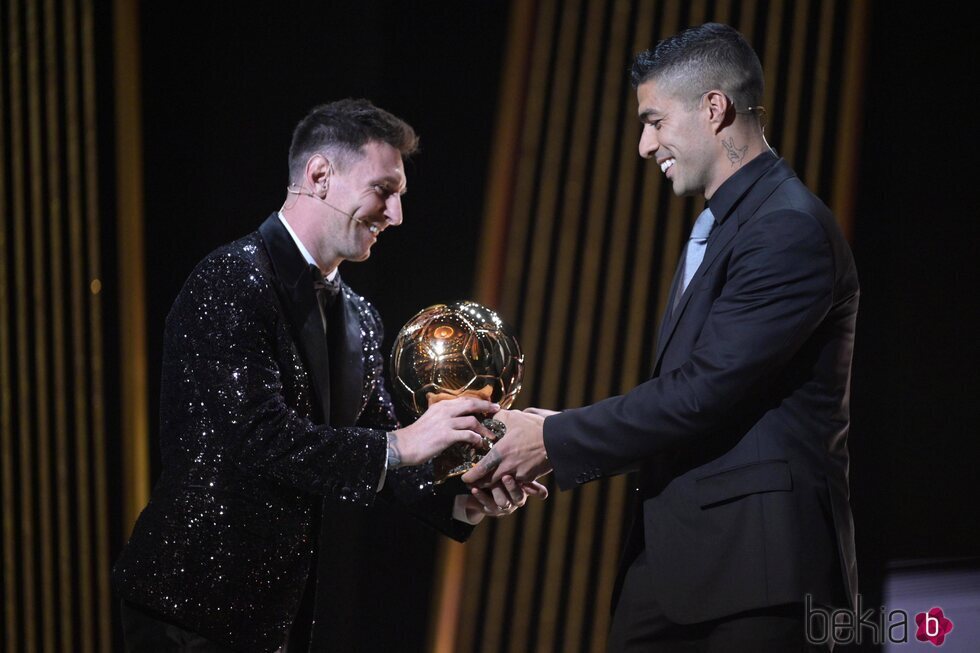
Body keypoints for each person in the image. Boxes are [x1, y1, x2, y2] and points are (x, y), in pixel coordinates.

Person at [463, 23, 858, 652]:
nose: (645, 145)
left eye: (654, 120)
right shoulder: (722, 225)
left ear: (714, 107)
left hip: (757, 581)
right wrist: (553, 426)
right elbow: (689, 391)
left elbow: (702, 391)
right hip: (677, 572)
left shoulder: (788, 229)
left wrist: (554, 438)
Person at [113, 99, 546, 652]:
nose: (396, 215)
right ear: (320, 176)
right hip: (189, 612)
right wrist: (400, 445)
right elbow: (258, 438)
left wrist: (465, 494)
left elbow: (377, 442)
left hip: (282, 618)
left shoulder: (360, 318)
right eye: (384, 191)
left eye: (400, 196)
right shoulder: (229, 279)